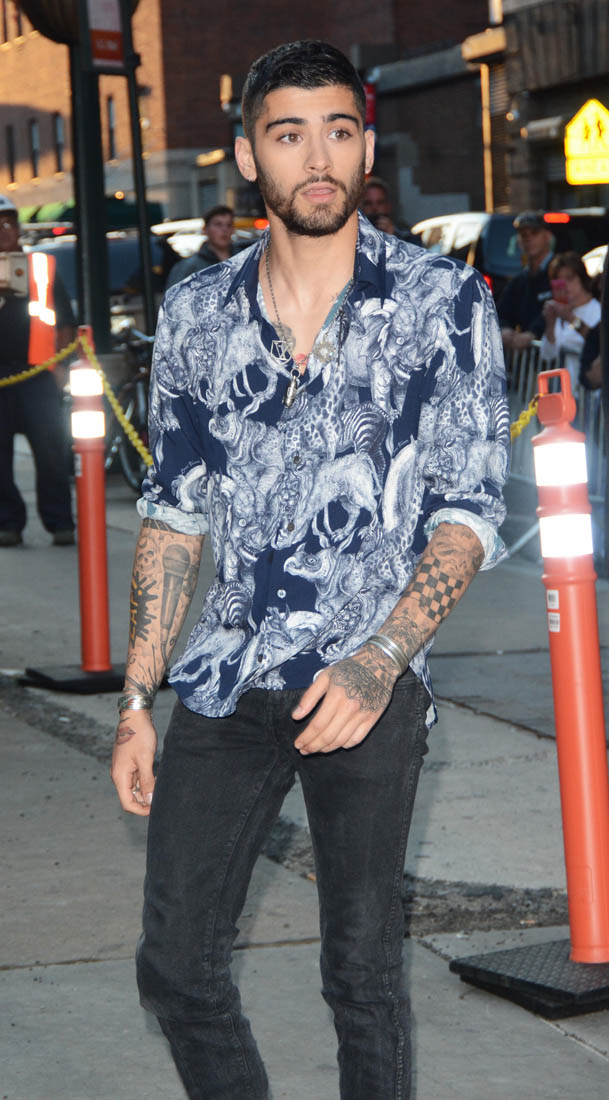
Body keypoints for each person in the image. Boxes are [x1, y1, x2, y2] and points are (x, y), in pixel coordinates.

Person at [111, 40, 509, 1100]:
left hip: (366, 680)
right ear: (250, 157)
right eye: (289, 134)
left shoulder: (442, 300)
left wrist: (379, 661)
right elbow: (173, 515)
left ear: (366, 145)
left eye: (339, 130)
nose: (318, 156)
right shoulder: (197, 311)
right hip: (227, 676)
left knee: (362, 977)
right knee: (175, 967)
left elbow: (468, 512)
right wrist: (137, 699)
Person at [0, 195, 76, 547]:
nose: (3, 231)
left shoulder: (40, 267)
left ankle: (60, 522)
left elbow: (64, 322)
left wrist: (59, 367)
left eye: (8, 223)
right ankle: (7, 524)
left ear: (18, 228)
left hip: (39, 375)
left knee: (51, 454)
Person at [539, 251, 601, 391]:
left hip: (587, 393)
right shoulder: (558, 310)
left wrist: (571, 319)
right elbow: (547, 355)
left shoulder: (597, 310)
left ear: (582, 279)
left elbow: (596, 344)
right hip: (562, 392)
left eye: (570, 278)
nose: (565, 285)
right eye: (559, 281)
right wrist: (550, 324)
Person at [497, 210, 554, 352]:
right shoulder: (519, 281)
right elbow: (501, 312)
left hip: (554, 357)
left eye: (534, 233)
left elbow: (562, 307)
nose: (529, 239)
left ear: (547, 236)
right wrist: (504, 329)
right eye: (523, 235)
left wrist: (533, 333)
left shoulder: (560, 272)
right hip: (530, 359)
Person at [165, 205, 239, 288]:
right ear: (205, 229)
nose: (224, 229)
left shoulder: (243, 261)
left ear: (233, 229)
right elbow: (174, 294)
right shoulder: (189, 266)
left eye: (229, 225)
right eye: (218, 224)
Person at [362, 175, 418, 243]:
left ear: (388, 206)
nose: (374, 208)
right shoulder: (355, 237)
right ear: (361, 207)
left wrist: (393, 238)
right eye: (368, 203)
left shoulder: (407, 236)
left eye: (380, 203)